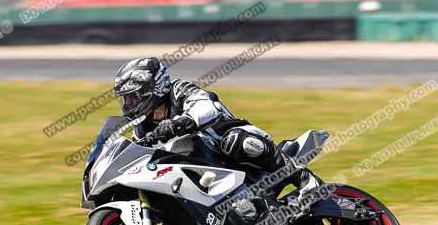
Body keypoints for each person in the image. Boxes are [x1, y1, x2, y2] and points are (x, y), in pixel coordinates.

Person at [112, 57, 320, 210]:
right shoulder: (141, 128)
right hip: (199, 173)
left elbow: (206, 107)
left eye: (133, 97)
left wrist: (181, 122)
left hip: (229, 148)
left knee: (235, 141)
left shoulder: (179, 91)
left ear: (154, 88)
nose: (129, 104)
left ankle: (305, 179)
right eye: (126, 100)